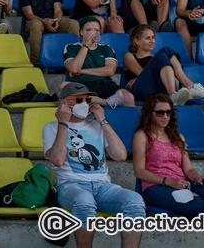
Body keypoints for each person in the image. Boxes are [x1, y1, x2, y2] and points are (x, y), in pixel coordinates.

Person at [43, 82, 145, 248]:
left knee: (135, 201)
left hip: (102, 186)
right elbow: (57, 160)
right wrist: (63, 123)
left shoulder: (97, 126)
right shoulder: (51, 127)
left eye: (87, 99)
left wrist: (103, 120)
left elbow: (120, 155)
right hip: (70, 185)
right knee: (84, 201)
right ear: (64, 103)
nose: (84, 103)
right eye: (78, 100)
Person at [133, 93, 204, 248]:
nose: (165, 116)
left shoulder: (177, 136)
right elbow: (139, 171)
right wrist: (168, 181)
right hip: (156, 187)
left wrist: (197, 177)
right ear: (149, 114)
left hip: (183, 183)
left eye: (169, 112)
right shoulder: (142, 136)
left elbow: (187, 167)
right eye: (160, 112)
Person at [123, 25, 204, 105]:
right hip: (141, 91)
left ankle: (177, 93)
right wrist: (141, 77)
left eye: (153, 37)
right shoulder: (129, 56)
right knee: (165, 51)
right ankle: (184, 89)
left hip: (158, 91)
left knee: (163, 55)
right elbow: (141, 72)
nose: (152, 41)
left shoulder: (160, 58)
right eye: (148, 38)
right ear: (136, 41)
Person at [60, 16, 135, 109]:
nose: (93, 33)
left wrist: (82, 71)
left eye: (96, 30)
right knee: (64, 86)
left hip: (104, 83)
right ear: (81, 32)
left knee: (129, 97)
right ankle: (106, 102)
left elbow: (110, 71)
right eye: (88, 30)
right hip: (81, 83)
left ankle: (98, 101)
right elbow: (74, 68)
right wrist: (86, 45)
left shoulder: (106, 48)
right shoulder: (71, 47)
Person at [19, 0, 81, 65]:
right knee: (36, 25)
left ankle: (74, 60)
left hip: (52, 20)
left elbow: (58, 10)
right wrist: (44, 21)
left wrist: (56, 20)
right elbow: (29, 15)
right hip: (34, 21)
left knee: (73, 24)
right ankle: (37, 62)